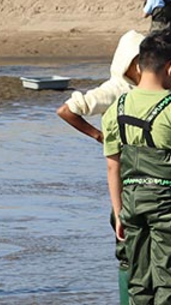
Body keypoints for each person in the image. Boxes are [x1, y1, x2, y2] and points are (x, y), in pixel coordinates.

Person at [102, 33, 171, 305]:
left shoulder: (117, 107)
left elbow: (112, 166)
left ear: (139, 66)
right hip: (169, 207)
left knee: (139, 282)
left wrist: (119, 214)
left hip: (132, 204)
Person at [56, 29, 145, 304]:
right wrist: (98, 135)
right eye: (140, 60)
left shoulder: (147, 89)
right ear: (127, 62)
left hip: (145, 181)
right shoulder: (114, 90)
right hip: (126, 182)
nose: (145, 67)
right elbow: (67, 109)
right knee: (127, 253)